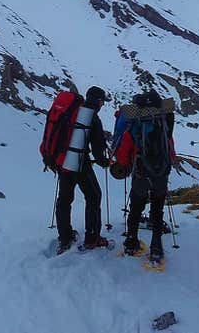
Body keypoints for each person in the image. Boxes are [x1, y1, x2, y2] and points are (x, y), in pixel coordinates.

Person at [112, 89, 176, 263]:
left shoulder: (135, 124)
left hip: (141, 172)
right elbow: (171, 151)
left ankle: (131, 242)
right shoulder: (164, 122)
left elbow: (124, 152)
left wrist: (124, 164)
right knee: (157, 210)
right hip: (161, 173)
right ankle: (156, 247)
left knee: (136, 208)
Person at [55, 86, 111, 255]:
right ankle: (92, 238)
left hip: (63, 161)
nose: (102, 105)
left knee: (65, 198)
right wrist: (105, 162)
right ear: (99, 102)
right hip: (80, 163)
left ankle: (65, 237)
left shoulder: (72, 111)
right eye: (102, 102)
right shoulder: (92, 117)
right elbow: (98, 148)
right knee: (94, 196)